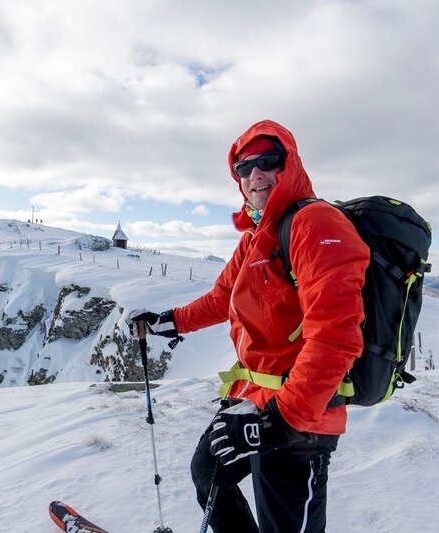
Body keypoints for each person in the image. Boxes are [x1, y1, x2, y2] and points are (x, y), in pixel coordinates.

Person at [128, 119, 369, 532]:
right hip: (252, 403)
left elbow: (336, 334)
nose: (254, 174)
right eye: (243, 168)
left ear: (289, 165)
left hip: (300, 419)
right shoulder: (257, 238)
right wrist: (169, 321)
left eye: (267, 161)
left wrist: (280, 420)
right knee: (209, 474)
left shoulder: (316, 224)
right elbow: (223, 298)